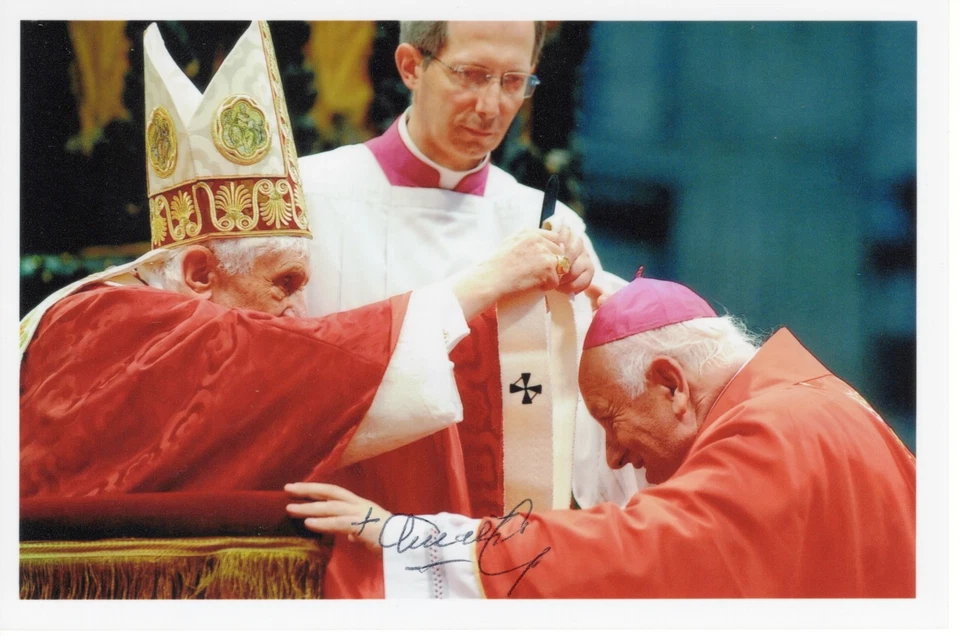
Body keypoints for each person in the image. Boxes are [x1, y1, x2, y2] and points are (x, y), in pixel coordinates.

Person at [20, 21, 570, 500]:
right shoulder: (117, 325)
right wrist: (487, 280)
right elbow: (331, 370)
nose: (301, 313)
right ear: (197, 274)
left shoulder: (543, 217)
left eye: (515, 81)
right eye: (286, 284)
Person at [285, 274, 917, 598]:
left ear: (671, 384)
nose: (613, 454)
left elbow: (638, 552)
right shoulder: (837, 405)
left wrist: (410, 537)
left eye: (611, 418)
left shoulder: (772, 430)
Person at [297, 20, 637, 598]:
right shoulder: (312, 197)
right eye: (471, 76)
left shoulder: (545, 221)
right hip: (336, 545)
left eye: (512, 81)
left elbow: (597, 435)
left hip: (488, 569)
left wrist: (607, 309)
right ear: (411, 66)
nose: (491, 106)